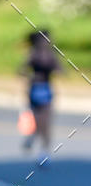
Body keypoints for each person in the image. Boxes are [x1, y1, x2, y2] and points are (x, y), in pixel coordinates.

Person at [20, 29, 61, 160]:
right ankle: (32, 138)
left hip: (46, 89)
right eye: (44, 39)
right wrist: (31, 76)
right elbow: (21, 70)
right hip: (34, 90)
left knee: (46, 122)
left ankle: (44, 152)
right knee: (38, 121)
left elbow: (60, 70)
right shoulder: (33, 54)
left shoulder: (51, 55)